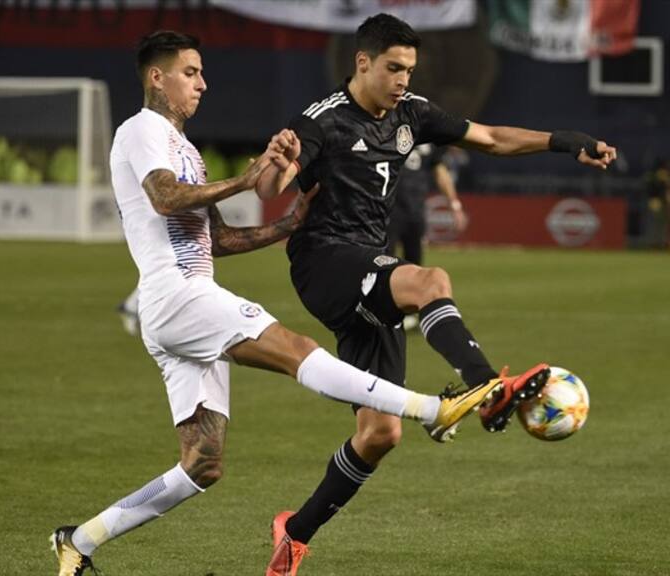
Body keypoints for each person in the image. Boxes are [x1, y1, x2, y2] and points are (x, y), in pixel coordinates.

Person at [49, 30, 502, 576]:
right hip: (178, 295)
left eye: (201, 73)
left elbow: (216, 240)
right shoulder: (141, 131)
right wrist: (247, 178)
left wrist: (288, 225)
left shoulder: (185, 148)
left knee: (202, 464)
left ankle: (79, 540)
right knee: (297, 349)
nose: (202, 83)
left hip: (179, 304)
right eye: (190, 73)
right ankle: (434, 408)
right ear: (157, 76)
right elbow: (164, 197)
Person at [255, 14, 617, 575]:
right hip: (324, 261)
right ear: (363, 62)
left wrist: (566, 143)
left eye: (410, 69)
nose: (403, 79)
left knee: (380, 434)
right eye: (394, 68)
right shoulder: (321, 121)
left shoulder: (412, 114)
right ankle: (487, 385)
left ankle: (294, 533)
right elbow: (271, 185)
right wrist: (277, 164)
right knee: (430, 280)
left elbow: (492, 138)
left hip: (366, 274)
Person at [387, 143, 467, 330]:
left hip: (415, 211)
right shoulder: (385, 131)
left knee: (415, 265)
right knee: (385, 264)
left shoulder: (429, 139)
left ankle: (411, 314)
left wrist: (454, 204)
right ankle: (385, 314)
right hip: (386, 211)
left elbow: (440, 170)